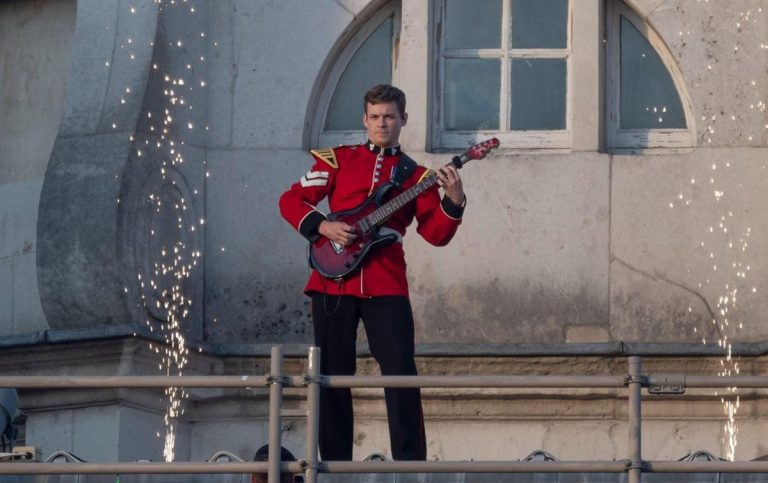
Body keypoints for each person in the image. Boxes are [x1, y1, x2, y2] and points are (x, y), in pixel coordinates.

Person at [279, 84, 466, 461]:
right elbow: (291, 200)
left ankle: (410, 463)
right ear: (365, 120)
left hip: (385, 282)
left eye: (390, 117)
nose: (383, 124)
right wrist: (323, 227)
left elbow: (436, 234)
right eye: (376, 117)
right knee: (331, 375)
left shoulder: (417, 176)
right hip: (332, 280)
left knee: (400, 371)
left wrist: (455, 200)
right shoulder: (338, 160)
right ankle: (333, 462)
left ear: (403, 120)